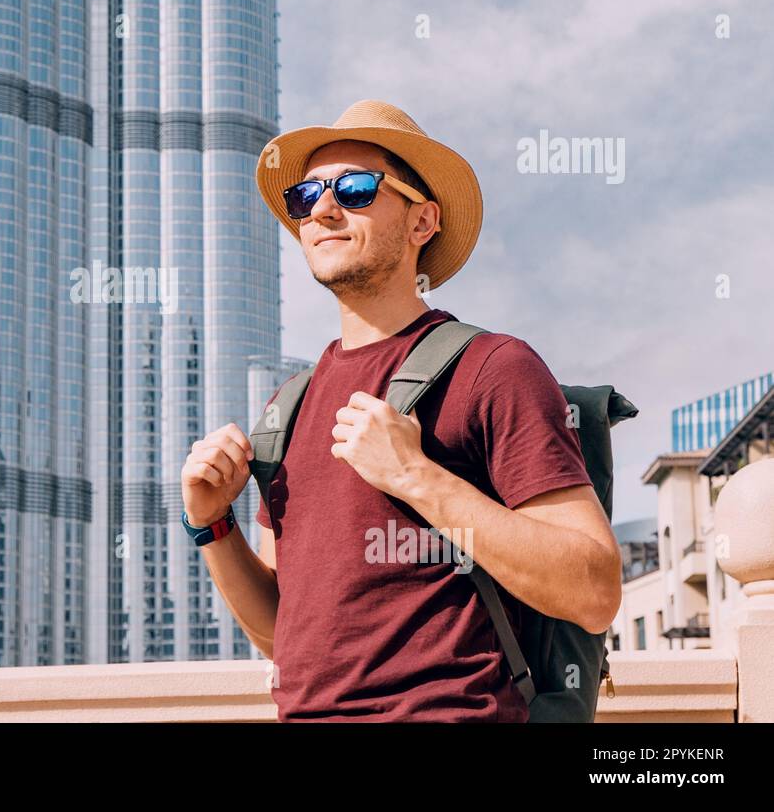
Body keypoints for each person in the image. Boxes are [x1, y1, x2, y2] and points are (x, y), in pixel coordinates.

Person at [180, 99, 622, 721]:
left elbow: (593, 588)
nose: (324, 209)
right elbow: (287, 639)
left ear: (423, 222)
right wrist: (212, 525)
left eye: (356, 189)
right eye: (307, 196)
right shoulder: (288, 408)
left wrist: (416, 476)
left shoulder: (495, 368)